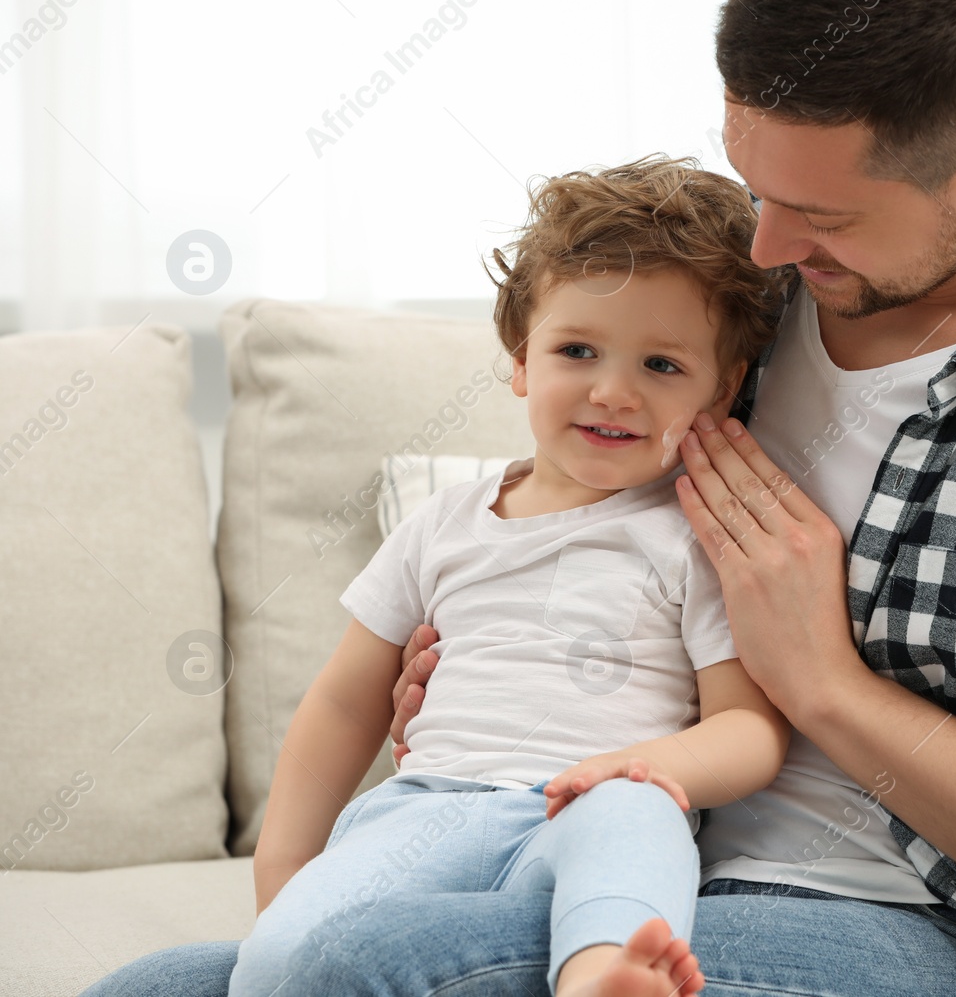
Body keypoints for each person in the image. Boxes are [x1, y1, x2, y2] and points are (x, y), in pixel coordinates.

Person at [84, 0, 956, 994]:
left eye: (820, 219)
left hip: (954, 933)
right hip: (636, 857)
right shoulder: (732, 309)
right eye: (752, 187)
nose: (768, 246)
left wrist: (825, 683)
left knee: (352, 965)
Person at [226, 157, 792, 997]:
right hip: (422, 813)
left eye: (661, 366)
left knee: (642, 814)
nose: (613, 391)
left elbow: (751, 730)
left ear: (725, 387)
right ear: (521, 358)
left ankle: (603, 974)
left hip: (584, 813)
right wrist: (285, 868)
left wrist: (632, 766)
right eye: (578, 350)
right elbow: (345, 701)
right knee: (277, 964)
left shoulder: (699, 539)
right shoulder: (444, 523)